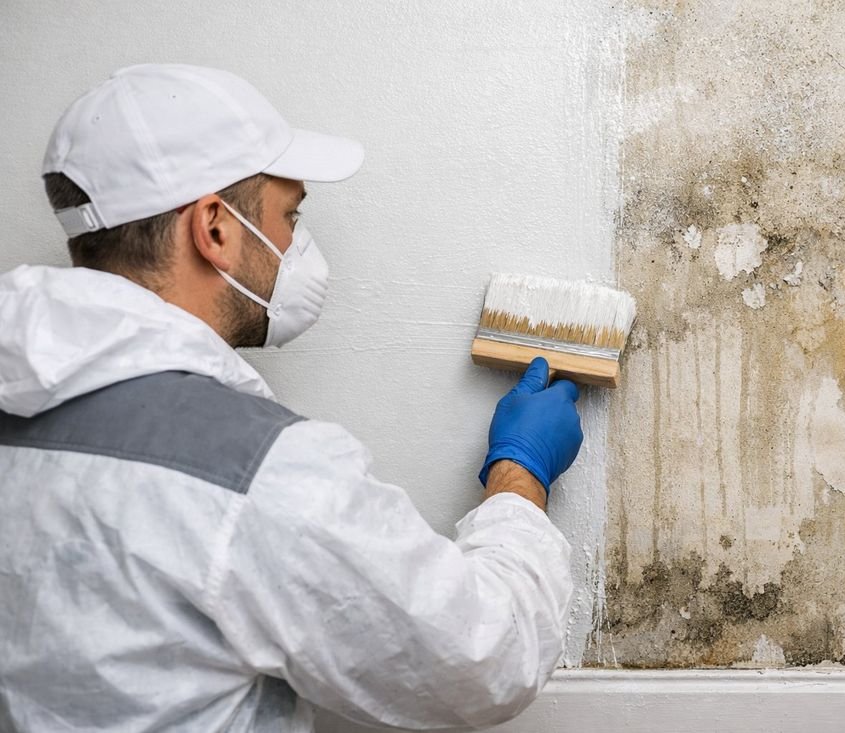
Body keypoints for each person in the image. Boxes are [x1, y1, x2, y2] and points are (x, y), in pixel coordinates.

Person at [0, 64, 584, 732]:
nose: (296, 245)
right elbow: (484, 660)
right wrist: (520, 474)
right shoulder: (252, 470)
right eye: (290, 215)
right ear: (214, 227)